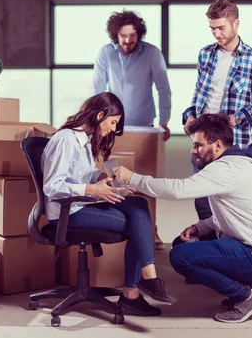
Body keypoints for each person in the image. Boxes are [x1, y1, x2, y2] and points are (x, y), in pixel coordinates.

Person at [113, 113, 252, 323]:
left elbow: (179, 190)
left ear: (217, 145)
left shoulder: (226, 170)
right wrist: (200, 227)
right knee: (181, 243)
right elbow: (236, 214)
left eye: (198, 145)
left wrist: (133, 178)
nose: (193, 151)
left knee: (181, 257)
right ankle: (249, 282)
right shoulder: (237, 164)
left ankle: (246, 295)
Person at [42, 92, 171, 317]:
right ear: (100, 114)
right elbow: (52, 186)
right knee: (136, 225)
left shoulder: (84, 140)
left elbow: (81, 173)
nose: (113, 128)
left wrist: (100, 178)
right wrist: (93, 190)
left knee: (138, 205)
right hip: (68, 212)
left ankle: (146, 280)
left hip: (82, 204)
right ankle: (135, 290)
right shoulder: (66, 140)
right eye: (112, 122)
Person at [183, 0, 252, 226]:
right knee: (202, 197)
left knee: (236, 198)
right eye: (212, 29)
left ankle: (237, 240)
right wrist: (189, 115)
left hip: (236, 141)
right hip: (203, 138)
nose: (217, 34)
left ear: (236, 24)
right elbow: (199, 92)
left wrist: (237, 118)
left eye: (221, 28)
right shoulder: (205, 55)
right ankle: (206, 236)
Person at [93, 10, 172, 141]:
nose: (128, 40)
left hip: (144, 125)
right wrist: (97, 118)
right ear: (115, 35)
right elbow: (98, 88)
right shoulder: (105, 53)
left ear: (139, 34)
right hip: (113, 124)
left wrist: (164, 122)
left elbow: (163, 90)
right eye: (123, 35)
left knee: (144, 161)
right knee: (113, 161)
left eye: (132, 35)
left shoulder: (152, 53)